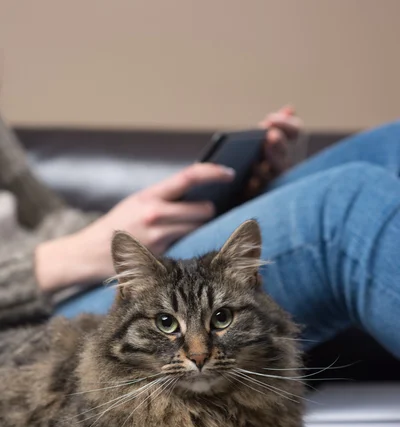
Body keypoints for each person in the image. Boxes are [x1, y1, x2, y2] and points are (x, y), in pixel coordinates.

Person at [1, 109, 400, 359]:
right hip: (29, 328)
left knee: (390, 143)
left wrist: (226, 201)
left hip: (82, 274)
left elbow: (49, 218)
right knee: (348, 205)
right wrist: (63, 259)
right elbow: (63, 247)